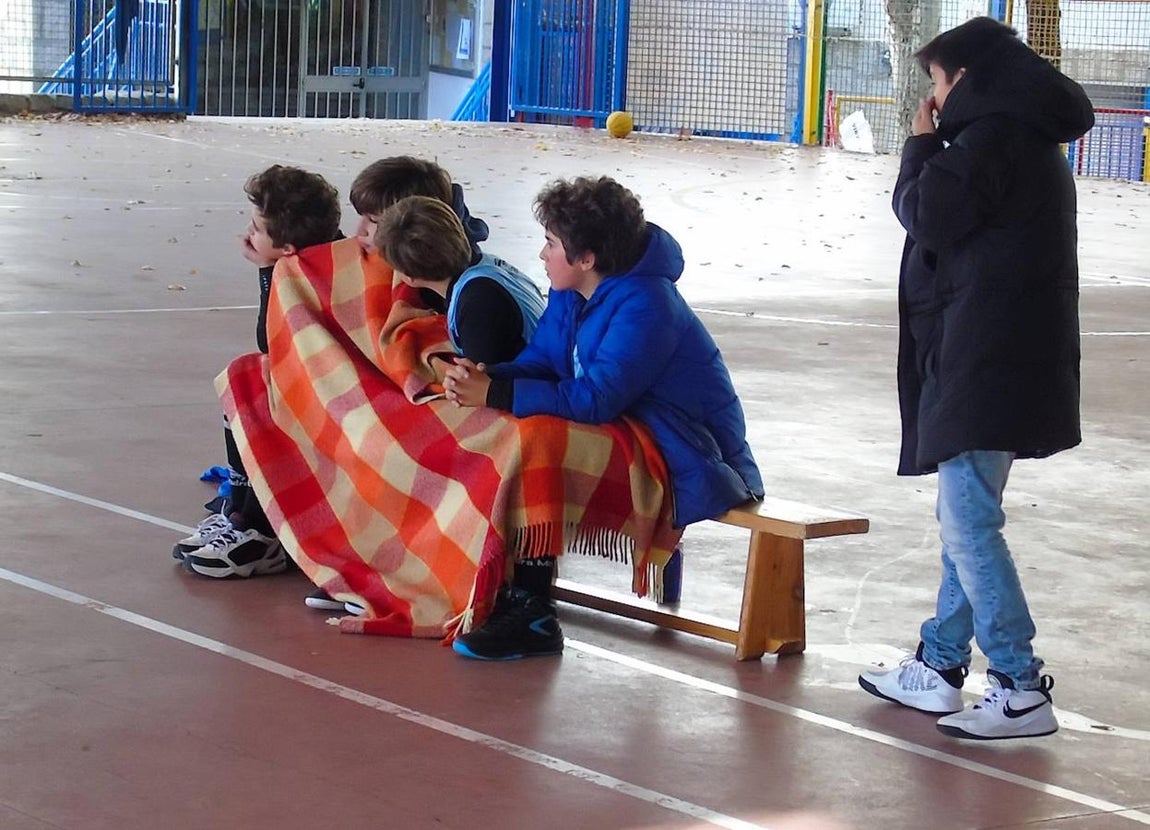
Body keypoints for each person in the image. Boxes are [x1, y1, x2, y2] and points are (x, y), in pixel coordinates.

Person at [857, 17, 1094, 740]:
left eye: (935, 82)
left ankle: (1021, 685)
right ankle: (939, 662)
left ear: (962, 79)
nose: (931, 96)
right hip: (1002, 353)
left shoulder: (990, 139)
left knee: (968, 522)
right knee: (964, 515)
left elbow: (925, 212)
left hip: (986, 356)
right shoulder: (1024, 135)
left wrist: (921, 145)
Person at [444, 175, 764, 660]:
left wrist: (499, 392)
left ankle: (534, 611)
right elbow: (545, 362)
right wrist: (485, 377)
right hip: (639, 429)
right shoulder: (573, 291)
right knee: (505, 422)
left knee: (541, 440)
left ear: (587, 258)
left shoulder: (648, 304)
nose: (542, 254)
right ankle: (500, 581)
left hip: (687, 453)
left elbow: (596, 400)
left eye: (551, 243)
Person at [175, 164, 342, 578]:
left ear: (286, 248)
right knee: (246, 378)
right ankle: (243, 512)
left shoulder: (314, 274)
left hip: (334, 405)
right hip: (322, 389)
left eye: (256, 228)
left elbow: (272, 341)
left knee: (255, 385)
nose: (248, 233)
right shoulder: (321, 254)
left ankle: (263, 530)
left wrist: (266, 272)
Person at [373, 195, 546, 367]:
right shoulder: (485, 264)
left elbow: (485, 385)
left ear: (408, 276)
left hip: (535, 385)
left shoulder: (477, 305)